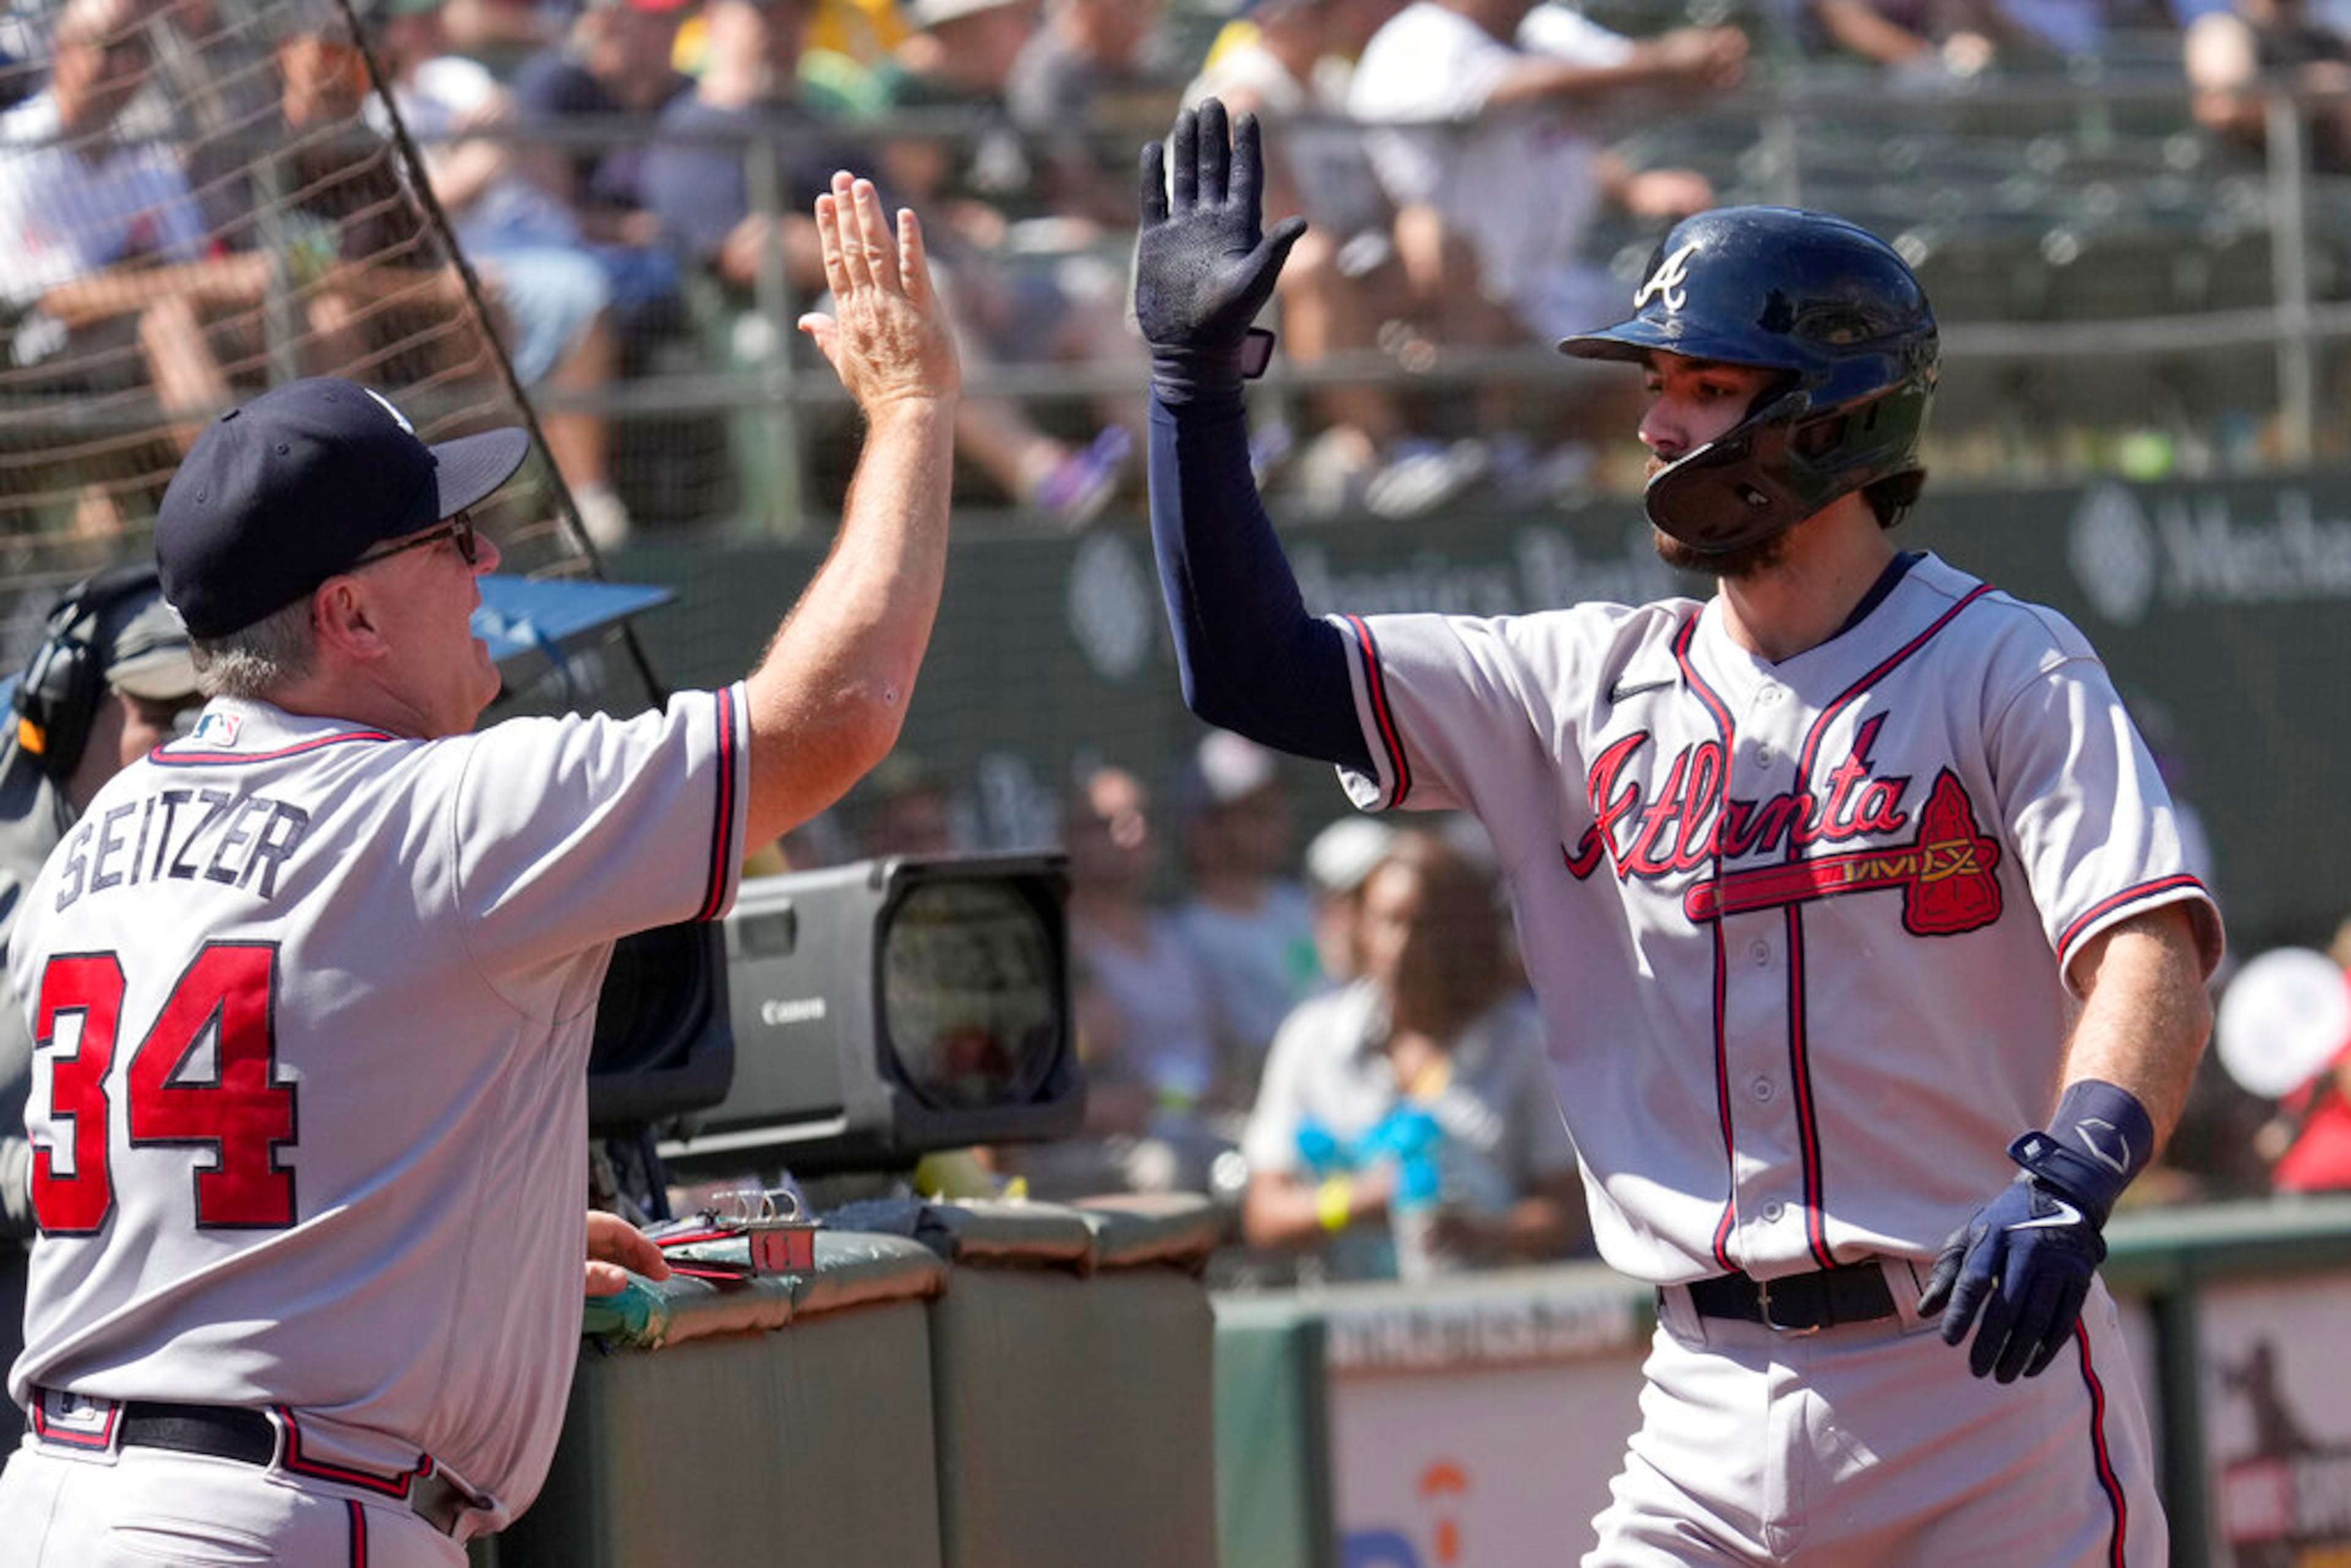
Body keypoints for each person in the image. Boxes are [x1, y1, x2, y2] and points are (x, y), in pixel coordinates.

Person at [1136, 100, 2222, 1562]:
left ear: (1831, 415)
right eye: (1656, 381)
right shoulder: (1575, 681)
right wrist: (1193, 395)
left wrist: (2073, 1168)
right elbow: (1249, 666)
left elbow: (2145, 942)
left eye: (1704, 384)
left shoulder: (2001, 663)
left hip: (1975, 1382)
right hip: (1702, 1402)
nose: (1655, 422)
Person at [0, 169, 958, 1559]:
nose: (487, 557)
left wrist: (451, 1239)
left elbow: (199, 1179)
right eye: (449, 538)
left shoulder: (106, 840)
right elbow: (835, 715)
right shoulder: (440, 810)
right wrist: (913, 411)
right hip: (273, 1516)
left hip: (63, 1496)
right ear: (349, 613)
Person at [0, 567, 204, 1460]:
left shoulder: (220, 892)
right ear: (66, 716)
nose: (188, 747)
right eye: (159, 716)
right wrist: (63, 1177)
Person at [1242, 827, 1584, 1280]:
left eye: (1427, 927)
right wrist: (1353, 1202)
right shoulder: (1310, 1037)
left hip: (1486, 1319)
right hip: (1345, 1325)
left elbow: (1570, 1209)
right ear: (1361, 926)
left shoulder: (1524, 1042)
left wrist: (1483, 1233)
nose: (1404, 947)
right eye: (1390, 921)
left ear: (1470, 936)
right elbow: (1264, 1214)